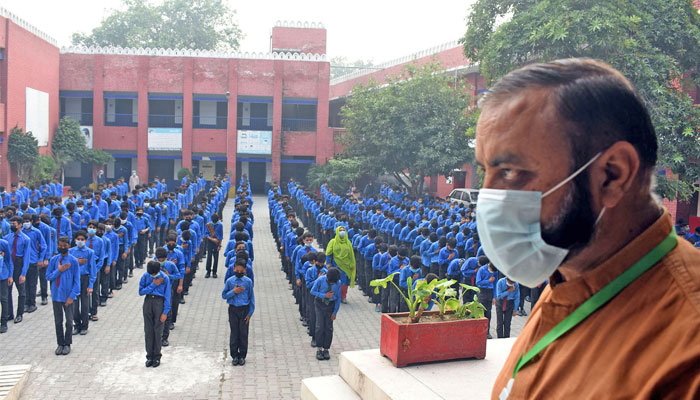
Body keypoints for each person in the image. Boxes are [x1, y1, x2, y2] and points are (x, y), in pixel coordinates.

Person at [476, 59, 700, 399]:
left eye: (510, 171)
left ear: (612, 175)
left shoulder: (685, 359)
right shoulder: (570, 270)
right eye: (485, 172)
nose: (489, 196)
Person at [46, 236, 80, 355]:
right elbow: (48, 276)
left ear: (69, 246)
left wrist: (71, 296)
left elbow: (77, 282)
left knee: (69, 321)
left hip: (68, 296)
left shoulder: (73, 261)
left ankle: (68, 343)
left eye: (64, 245)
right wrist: (59, 270)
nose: (62, 247)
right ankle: (60, 343)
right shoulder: (54, 260)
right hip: (56, 295)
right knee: (58, 321)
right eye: (60, 245)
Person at [222, 259, 255, 366]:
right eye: (237, 270)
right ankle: (234, 355)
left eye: (241, 271)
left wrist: (250, 313)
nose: (239, 272)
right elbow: (224, 295)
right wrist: (234, 292)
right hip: (233, 309)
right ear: (234, 269)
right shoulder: (230, 281)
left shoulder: (248, 282)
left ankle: (242, 355)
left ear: (245, 270)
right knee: (234, 332)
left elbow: (251, 298)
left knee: (243, 333)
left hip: (244, 310)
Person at [139, 260, 171, 368]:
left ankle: (157, 357)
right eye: (151, 274)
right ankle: (149, 357)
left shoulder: (165, 278)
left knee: (158, 331)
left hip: (159, 303)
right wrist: (153, 284)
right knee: (148, 331)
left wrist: (165, 312)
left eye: (154, 273)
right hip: (148, 302)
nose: (153, 275)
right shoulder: (145, 276)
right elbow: (141, 291)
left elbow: (167, 296)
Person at [310, 267, 341, 361]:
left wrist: (335, 312)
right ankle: (319, 349)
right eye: (330, 282)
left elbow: (338, 298)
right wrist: (324, 295)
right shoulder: (320, 280)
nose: (332, 284)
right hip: (320, 304)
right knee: (320, 326)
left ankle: (326, 349)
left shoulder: (338, 283)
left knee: (328, 327)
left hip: (330, 306)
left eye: (333, 283)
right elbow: (312, 291)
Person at [70, 230, 96, 335]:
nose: (80, 241)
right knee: (74, 305)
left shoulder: (90, 252)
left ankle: (85, 325)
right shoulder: (71, 252)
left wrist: (91, 285)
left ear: (86, 240)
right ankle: (77, 325)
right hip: (74, 280)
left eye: (82, 239)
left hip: (85, 278)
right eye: (78, 239)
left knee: (85, 305)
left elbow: (92, 270)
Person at [324, 226, 355, 304]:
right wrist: (328, 263)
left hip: (346, 266)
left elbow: (351, 254)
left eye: (343, 230)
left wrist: (352, 264)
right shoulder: (333, 241)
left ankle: (343, 297)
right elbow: (328, 253)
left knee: (345, 282)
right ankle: (334, 296)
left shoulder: (348, 242)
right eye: (340, 230)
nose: (342, 232)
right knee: (335, 281)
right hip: (336, 265)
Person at [475, 259, 497, 339]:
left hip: (490, 292)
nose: (492, 272)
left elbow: (495, 283)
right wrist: (488, 281)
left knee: (488, 313)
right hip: (482, 291)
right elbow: (478, 282)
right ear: (488, 266)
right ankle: (479, 331)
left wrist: (494, 296)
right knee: (481, 311)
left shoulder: (495, 271)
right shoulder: (481, 270)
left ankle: (487, 332)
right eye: (491, 271)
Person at [205, 213, 223, 279]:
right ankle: (208, 271)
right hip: (210, 242)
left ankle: (214, 272)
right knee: (209, 257)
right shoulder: (209, 225)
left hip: (217, 242)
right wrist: (212, 239)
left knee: (216, 258)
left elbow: (221, 236)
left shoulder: (220, 225)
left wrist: (219, 245)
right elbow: (206, 234)